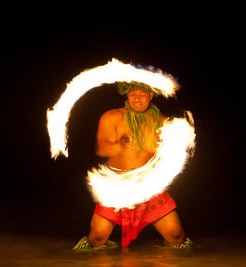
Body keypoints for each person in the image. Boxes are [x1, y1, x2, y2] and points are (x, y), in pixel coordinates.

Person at [74, 81, 193, 251]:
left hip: (149, 189)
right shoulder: (112, 117)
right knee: (97, 237)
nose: (137, 98)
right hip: (117, 187)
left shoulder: (162, 122)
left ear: (150, 95)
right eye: (132, 94)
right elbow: (102, 148)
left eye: (142, 94)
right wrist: (120, 144)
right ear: (127, 95)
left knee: (176, 236)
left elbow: (170, 153)